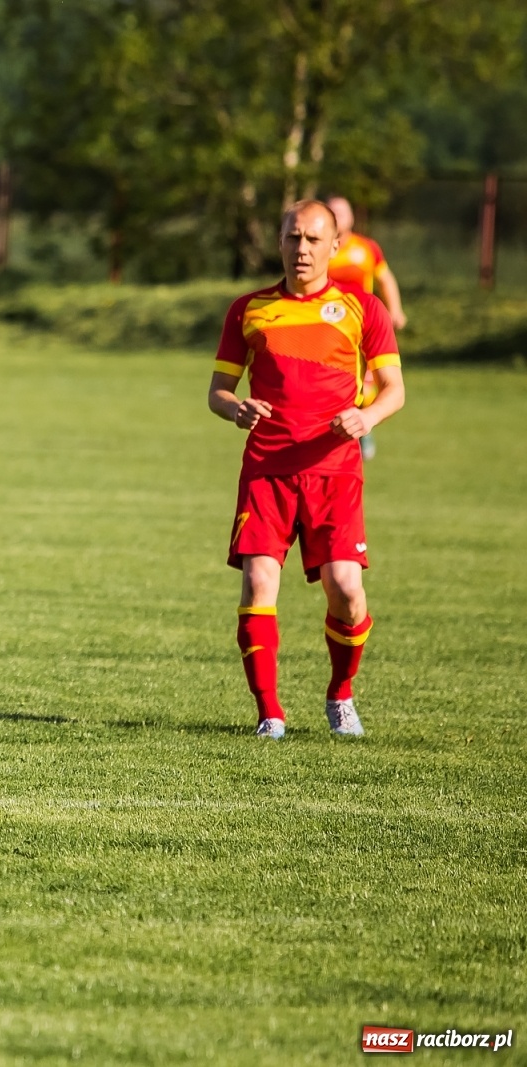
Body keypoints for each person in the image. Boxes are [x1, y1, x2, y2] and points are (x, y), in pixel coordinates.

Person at [207, 199, 405, 739]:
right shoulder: (248, 309)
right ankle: (269, 713)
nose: (302, 249)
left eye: (314, 240)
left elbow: (394, 391)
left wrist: (365, 417)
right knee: (257, 584)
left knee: (346, 589)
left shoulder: (363, 308)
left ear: (335, 246)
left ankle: (340, 694)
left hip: (334, 471)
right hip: (267, 469)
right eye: (293, 237)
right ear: (278, 241)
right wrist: (235, 408)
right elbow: (218, 392)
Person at [325, 196, 406, 460]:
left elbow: (386, 278)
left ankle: (363, 425)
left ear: (351, 217)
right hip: (328, 329)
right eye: (332, 212)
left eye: (342, 212)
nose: (338, 217)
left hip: (363, 327)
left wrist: (395, 309)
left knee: (372, 382)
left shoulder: (367, 248)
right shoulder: (320, 250)